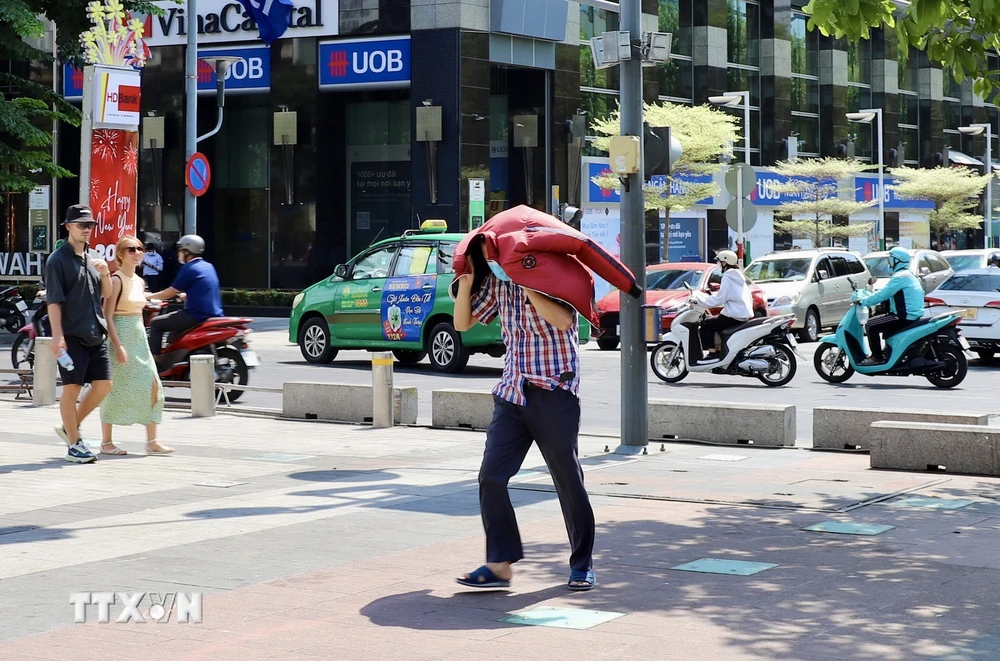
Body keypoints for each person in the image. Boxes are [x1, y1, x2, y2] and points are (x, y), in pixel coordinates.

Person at [453, 237, 596, 592]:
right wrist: (468, 282)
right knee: (491, 477)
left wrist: (527, 283)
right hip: (512, 393)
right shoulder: (498, 283)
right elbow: (462, 324)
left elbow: (564, 321)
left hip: (553, 392)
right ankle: (499, 565)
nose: (492, 261)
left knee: (568, 482)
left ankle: (582, 564)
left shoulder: (553, 276)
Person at [44, 205, 113, 463]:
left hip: (96, 331)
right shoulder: (57, 260)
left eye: (90, 225)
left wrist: (105, 272)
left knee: (105, 385)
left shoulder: (93, 256)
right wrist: (57, 336)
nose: (86, 229)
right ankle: (74, 444)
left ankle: (70, 426)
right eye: (81, 225)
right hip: (72, 333)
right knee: (72, 388)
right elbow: (53, 301)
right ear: (68, 226)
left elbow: (105, 293)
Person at [99, 236, 174, 456]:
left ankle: (152, 441)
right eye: (131, 249)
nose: (137, 253)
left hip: (139, 336)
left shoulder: (140, 281)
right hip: (121, 335)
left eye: (140, 249)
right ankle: (106, 442)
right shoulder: (116, 280)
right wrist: (118, 345)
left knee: (153, 385)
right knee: (114, 389)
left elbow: (140, 301)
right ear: (120, 254)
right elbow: (107, 315)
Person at [146, 234, 222, 361]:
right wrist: (187, 295)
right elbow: (205, 287)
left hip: (195, 315)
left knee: (156, 323)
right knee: (172, 335)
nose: (178, 254)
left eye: (180, 251)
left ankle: (155, 363)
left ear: (187, 252)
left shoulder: (189, 268)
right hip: (212, 313)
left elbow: (171, 292)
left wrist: (149, 296)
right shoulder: (208, 266)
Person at [852, 246, 924, 366]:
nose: (889, 263)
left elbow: (882, 295)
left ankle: (877, 357)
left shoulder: (899, 277)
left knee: (870, 325)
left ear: (897, 261)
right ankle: (887, 352)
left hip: (903, 316)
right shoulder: (908, 275)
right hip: (912, 314)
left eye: (890, 259)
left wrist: (863, 301)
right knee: (882, 321)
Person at [697, 250, 753, 361]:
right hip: (742, 314)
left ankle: (712, 354)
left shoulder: (728, 277)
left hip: (734, 315)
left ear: (725, 263)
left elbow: (720, 299)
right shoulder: (738, 276)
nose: (718, 265)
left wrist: (699, 301)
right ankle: (719, 350)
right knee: (713, 321)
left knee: (706, 324)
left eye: (719, 262)